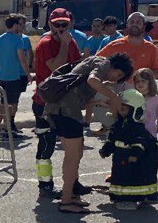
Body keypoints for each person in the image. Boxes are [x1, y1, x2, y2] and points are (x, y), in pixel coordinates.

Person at [45, 52, 134, 214]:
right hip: (65, 113)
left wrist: (99, 100)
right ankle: (65, 201)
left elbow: (81, 102)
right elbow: (92, 80)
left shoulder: (97, 72)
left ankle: (70, 194)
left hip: (66, 112)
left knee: (76, 154)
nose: (115, 78)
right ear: (114, 66)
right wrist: (113, 96)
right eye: (118, 74)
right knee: (73, 156)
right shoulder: (102, 63)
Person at [31, 10, 82, 197]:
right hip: (44, 103)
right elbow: (56, 67)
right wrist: (64, 45)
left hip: (66, 103)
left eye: (64, 25)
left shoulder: (72, 42)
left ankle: (72, 182)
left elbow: (77, 67)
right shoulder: (45, 43)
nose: (61, 28)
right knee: (46, 143)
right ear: (50, 25)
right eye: (57, 25)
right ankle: (44, 183)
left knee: (75, 145)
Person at [100, 88, 158, 209]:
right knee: (121, 175)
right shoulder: (119, 123)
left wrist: (135, 154)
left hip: (131, 158)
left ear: (135, 110)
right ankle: (121, 196)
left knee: (131, 177)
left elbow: (140, 142)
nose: (121, 111)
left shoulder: (137, 127)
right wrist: (106, 149)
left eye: (125, 108)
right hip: (121, 156)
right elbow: (113, 138)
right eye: (120, 108)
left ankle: (131, 199)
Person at [0, 13, 32, 139]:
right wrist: (28, 74)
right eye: (18, 24)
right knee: (12, 104)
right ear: (14, 25)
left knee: (3, 103)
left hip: (2, 76)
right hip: (13, 77)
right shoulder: (17, 40)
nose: (20, 27)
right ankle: (7, 130)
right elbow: (22, 59)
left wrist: (1, 69)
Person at [97, 12, 158, 76]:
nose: (134, 24)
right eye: (132, 22)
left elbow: (157, 71)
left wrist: (144, 76)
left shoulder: (151, 48)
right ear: (127, 25)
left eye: (138, 22)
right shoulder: (115, 45)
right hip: (119, 85)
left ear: (144, 26)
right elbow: (95, 61)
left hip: (141, 85)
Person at [132, 68, 158, 140]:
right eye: (138, 81)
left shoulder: (156, 100)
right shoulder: (133, 98)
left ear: (150, 82)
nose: (140, 84)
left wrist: (156, 130)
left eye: (143, 81)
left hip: (150, 133)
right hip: (134, 133)